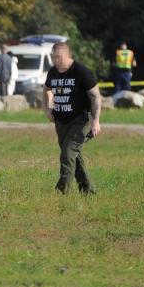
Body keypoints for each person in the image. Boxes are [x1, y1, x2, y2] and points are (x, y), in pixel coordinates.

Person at [44, 41, 101, 195]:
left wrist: (95, 122)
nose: (55, 60)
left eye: (58, 57)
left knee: (67, 154)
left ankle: (61, 192)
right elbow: (47, 90)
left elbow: (95, 97)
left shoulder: (82, 72)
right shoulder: (52, 72)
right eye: (53, 57)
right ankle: (88, 190)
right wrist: (48, 109)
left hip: (80, 120)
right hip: (61, 121)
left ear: (68, 56)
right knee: (75, 157)